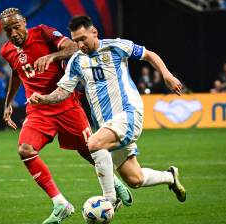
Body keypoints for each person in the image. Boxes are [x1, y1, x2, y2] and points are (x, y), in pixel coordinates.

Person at [28, 15, 187, 206]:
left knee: (93, 143)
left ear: (93, 32)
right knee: (134, 179)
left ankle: (110, 199)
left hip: (128, 113)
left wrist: (167, 75)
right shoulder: (77, 61)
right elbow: (63, 91)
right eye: (76, 41)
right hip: (108, 125)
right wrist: (44, 99)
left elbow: (149, 54)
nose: (79, 45)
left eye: (82, 39)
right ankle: (170, 177)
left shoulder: (115, 46)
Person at [0, 8, 131, 224]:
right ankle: (60, 204)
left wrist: (51, 57)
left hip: (65, 103)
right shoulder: (6, 51)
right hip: (38, 109)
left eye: (16, 27)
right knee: (25, 149)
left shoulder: (42, 33)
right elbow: (16, 72)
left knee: (89, 148)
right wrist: (8, 104)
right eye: (8, 30)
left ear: (24, 22)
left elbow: (72, 48)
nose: (13, 33)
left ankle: (114, 182)